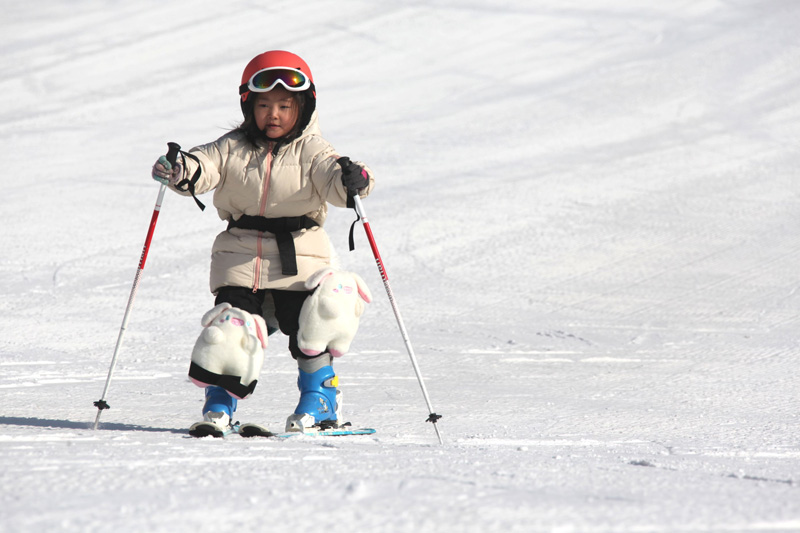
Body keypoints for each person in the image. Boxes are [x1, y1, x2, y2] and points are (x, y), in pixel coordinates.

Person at [151, 50, 375, 435]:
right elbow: (203, 167)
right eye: (264, 104)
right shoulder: (232, 147)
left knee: (312, 327)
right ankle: (220, 404)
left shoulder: (314, 150)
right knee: (231, 330)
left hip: (300, 259)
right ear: (248, 105)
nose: (273, 114)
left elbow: (336, 180)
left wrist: (354, 180)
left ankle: (320, 402)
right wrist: (180, 169)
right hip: (239, 256)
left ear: (303, 107)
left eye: (285, 105)